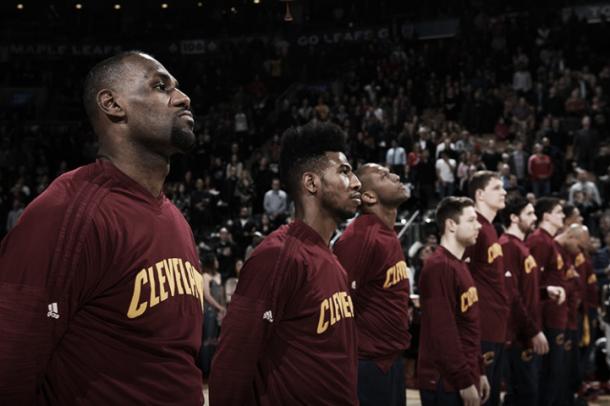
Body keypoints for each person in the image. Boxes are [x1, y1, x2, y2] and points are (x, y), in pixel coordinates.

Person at [0, 51, 205, 405]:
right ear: (112, 104)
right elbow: (10, 366)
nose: (183, 97)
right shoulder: (67, 212)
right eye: (161, 85)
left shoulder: (177, 221)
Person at [209, 121, 362, 405]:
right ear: (311, 182)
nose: (356, 182)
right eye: (344, 171)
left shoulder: (332, 259)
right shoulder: (277, 256)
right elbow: (231, 368)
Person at [333, 163, 410, 406]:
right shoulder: (361, 236)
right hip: (367, 365)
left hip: (389, 360)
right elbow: (338, 302)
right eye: (385, 176)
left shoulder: (385, 233)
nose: (396, 176)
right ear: (368, 196)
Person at [418, 196, 490, 406]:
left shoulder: (459, 265)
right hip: (445, 381)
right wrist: (464, 381)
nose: (478, 226)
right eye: (471, 220)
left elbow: (468, 327)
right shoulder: (439, 267)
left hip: (463, 375)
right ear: (451, 225)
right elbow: (443, 332)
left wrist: (480, 371)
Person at [499, 196, 563, 405]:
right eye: (529, 214)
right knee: (524, 394)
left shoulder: (521, 246)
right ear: (514, 218)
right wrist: (534, 330)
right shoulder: (507, 245)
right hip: (518, 335)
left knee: (528, 393)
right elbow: (512, 294)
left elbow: (525, 290)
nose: (534, 218)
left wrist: (545, 292)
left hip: (526, 332)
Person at [463, 170, 509, 406]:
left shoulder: (490, 229)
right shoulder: (474, 227)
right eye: (497, 188)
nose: (504, 192)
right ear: (480, 194)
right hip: (482, 326)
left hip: (496, 326)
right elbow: (461, 277)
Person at [526, 197, 568, 406]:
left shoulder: (548, 241)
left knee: (553, 375)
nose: (563, 216)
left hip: (554, 316)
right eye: (559, 211)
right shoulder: (539, 241)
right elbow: (531, 284)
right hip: (545, 318)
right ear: (547, 216)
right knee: (546, 376)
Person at [200, 252, 226, 378]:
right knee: (208, 339)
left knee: (217, 340)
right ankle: (206, 369)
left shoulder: (219, 275)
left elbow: (222, 294)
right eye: (215, 260)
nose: (217, 262)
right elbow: (206, 295)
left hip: (219, 311)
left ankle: (216, 367)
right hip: (210, 311)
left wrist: (223, 308)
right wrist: (219, 307)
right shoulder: (205, 276)